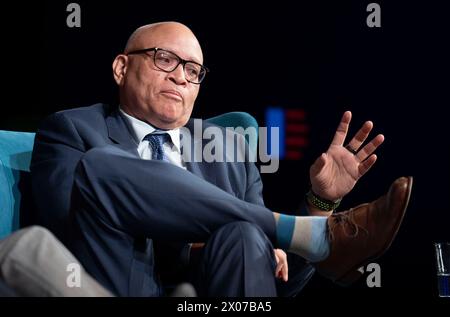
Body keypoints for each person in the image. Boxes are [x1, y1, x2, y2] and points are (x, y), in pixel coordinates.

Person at [30, 21, 412, 297]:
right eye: (165, 60)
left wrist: (320, 203)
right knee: (101, 166)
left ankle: (310, 232)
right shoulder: (71, 130)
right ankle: (303, 232)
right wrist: (198, 240)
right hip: (116, 284)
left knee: (246, 234)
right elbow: (74, 224)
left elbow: (277, 277)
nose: (181, 77)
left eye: (193, 70)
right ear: (121, 68)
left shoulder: (229, 151)